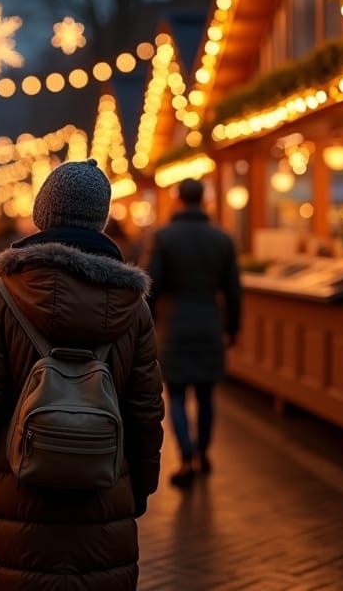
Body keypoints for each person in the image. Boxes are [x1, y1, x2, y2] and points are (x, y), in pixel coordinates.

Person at [0, 159, 164, 589]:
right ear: (100, 219)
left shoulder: (3, 293)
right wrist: (143, 482)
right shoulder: (133, 305)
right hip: (104, 487)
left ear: (42, 214)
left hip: (18, 488)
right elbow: (145, 405)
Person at [146, 177, 241, 488]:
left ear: (178, 200)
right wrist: (233, 328)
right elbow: (233, 291)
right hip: (209, 322)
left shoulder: (164, 237)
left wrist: (146, 324)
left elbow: (151, 286)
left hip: (175, 324)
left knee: (176, 394)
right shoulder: (222, 239)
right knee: (206, 395)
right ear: (204, 201)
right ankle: (203, 452)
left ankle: (186, 456)